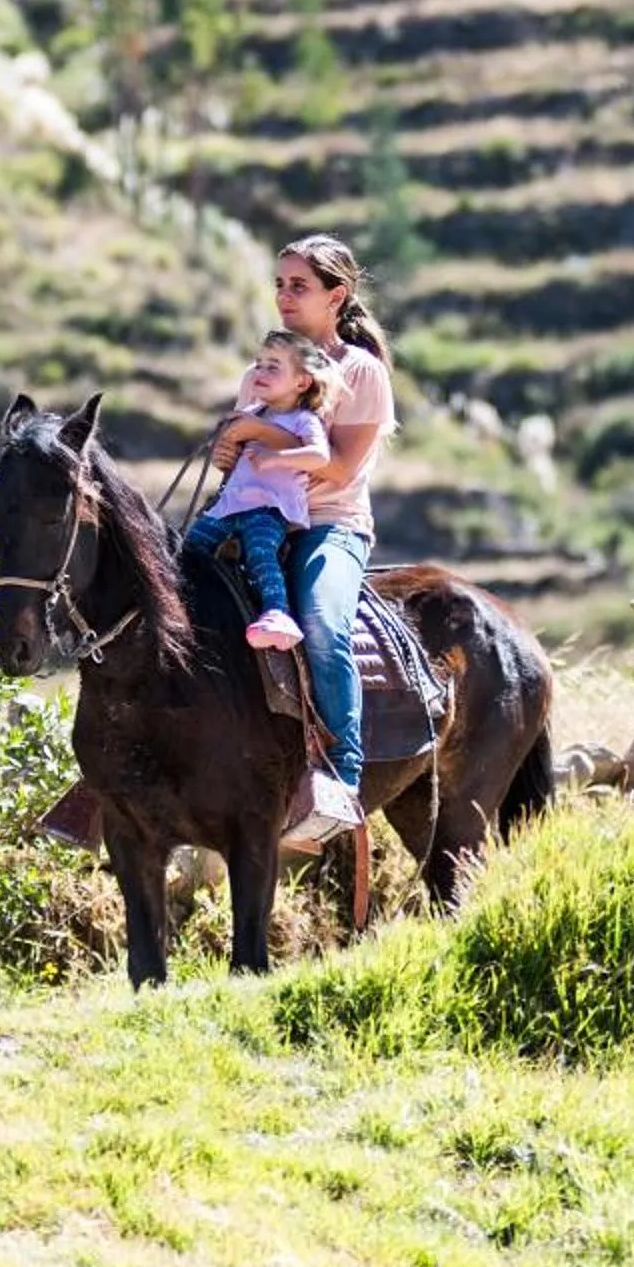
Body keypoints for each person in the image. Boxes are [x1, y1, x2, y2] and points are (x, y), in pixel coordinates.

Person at [218, 234, 397, 847]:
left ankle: (340, 779)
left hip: (330, 524)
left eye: (299, 286)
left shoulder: (360, 372)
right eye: (280, 284)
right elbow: (238, 461)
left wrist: (257, 436)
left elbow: (341, 470)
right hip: (256, 515)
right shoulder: (262, 369)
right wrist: (228, 449)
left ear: (336, 296)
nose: (284, 297)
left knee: (321, 620)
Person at [184, 332, 340, 651]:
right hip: (230, 506)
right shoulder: (251, 414)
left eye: (273, 367)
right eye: (258, 365)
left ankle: (276, 612)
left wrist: (278, 457)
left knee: (260, 550)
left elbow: (319, 456)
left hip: (269, 508)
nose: (260, 373)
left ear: (301, 382)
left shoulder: (303, 419)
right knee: (190, 547)